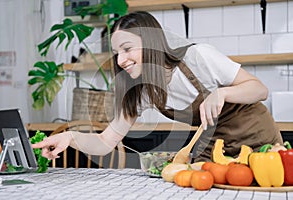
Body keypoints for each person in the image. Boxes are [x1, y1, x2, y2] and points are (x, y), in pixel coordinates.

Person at [32, 11, 283, 162]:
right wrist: (70, 137)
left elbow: (260, 90)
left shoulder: (197, 58)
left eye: (128, 49)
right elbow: (106, 141)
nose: (120, 60)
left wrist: (223, 92)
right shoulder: (139, 90)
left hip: (260, 143)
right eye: (117, 52)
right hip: (216, 150)